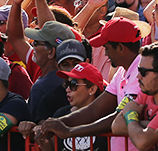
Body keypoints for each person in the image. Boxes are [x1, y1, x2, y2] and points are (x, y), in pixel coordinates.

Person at [39, 18, 146, 151]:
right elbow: (94, 109)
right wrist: (57, 123)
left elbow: (119, 117)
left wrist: (70, 132)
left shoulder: (141, 72)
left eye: (106, 48)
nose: (106, 54)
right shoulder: (121, 71)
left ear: (120, 48)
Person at [40, 62, 108, 151]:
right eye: (66, 84)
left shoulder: (107, 118)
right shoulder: (60, 114)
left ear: (92, 89)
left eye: (73, 84)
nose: (67, 89)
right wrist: (42, 136)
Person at [23, 21, 76, 117]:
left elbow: (33, 128)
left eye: (36, 43)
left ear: (51, 52)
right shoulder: (75, 81)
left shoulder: (41, 88)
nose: (33, 45)